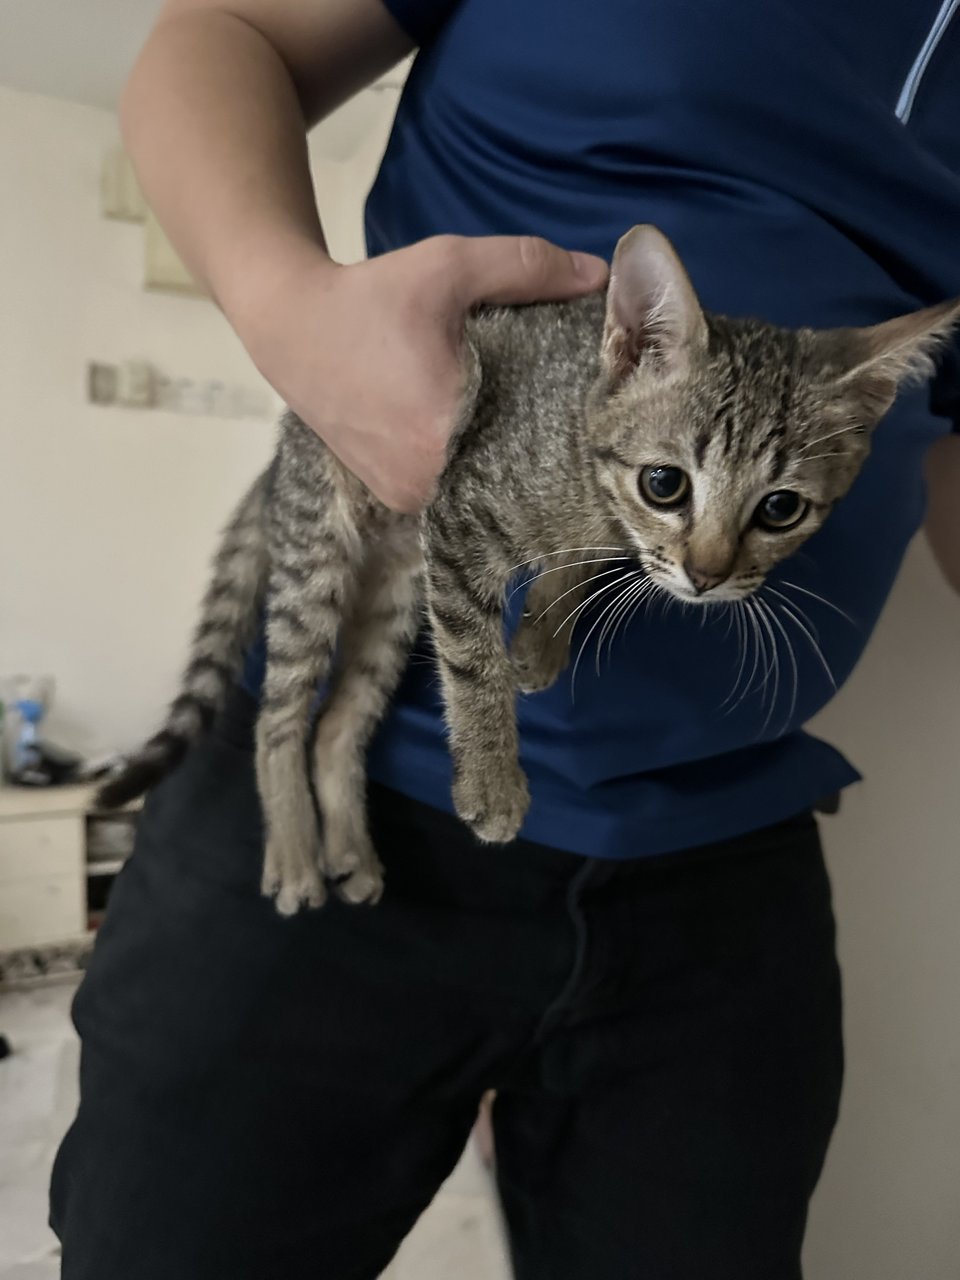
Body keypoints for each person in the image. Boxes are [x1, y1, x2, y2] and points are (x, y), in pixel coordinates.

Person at [50, 2, 960, 1277]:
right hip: (352, 786)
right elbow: (230, 29)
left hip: (726, 845)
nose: (709, 564)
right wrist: (296, 312)